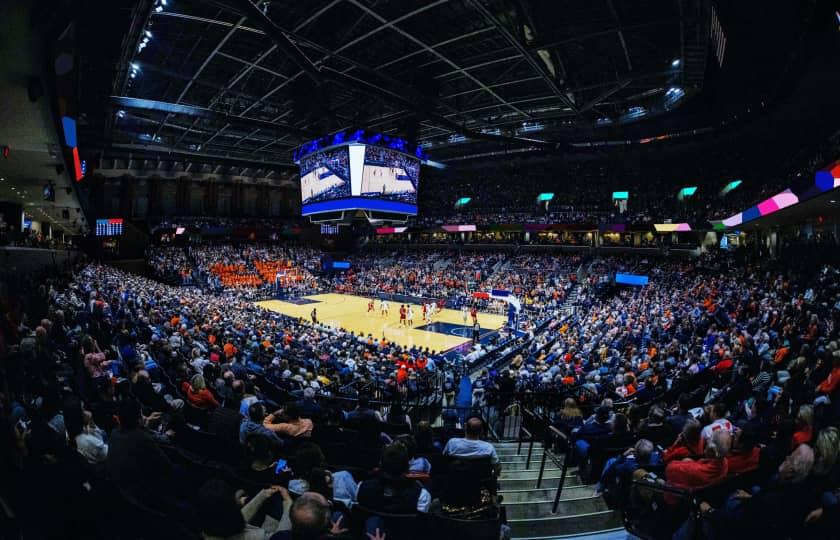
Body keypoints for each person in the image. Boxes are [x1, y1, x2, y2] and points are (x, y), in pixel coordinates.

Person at [196, 479, 292, 540]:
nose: (237, 498)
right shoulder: (255, 537)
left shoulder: (210, 526)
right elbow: (281, 536)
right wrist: (288, 503)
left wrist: (263, 495)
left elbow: (232, 520)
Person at [665, 429, 731, 492]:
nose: (705, 443)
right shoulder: (724, 463)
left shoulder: (694, 470)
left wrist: (675, 443)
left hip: (675, 494)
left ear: (711, 450)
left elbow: (669, 468)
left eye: (708, 442)